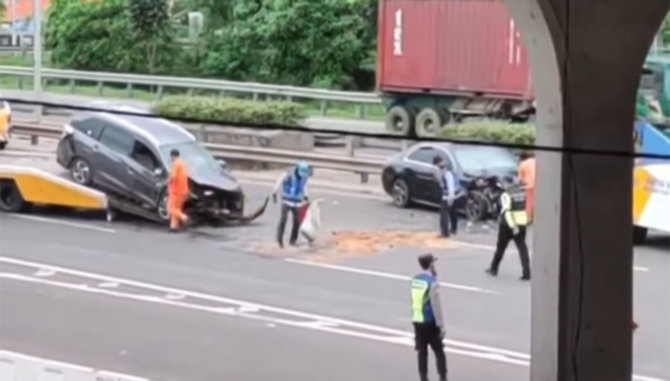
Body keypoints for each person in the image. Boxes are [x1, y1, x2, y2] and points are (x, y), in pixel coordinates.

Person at [486, 176, 531, 281]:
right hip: (521, 223)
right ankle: (527, 272)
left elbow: (507, 211)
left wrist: (512, 226)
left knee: (500, 248)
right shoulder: (521, 192)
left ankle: (494, 268)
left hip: (508, 225)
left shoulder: (506, 194)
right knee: (522, 248)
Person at [411, 253, 448, 381]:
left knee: (422, 352)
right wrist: (441, 326)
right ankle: (443, 377)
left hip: (417, 320)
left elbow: (414, 301)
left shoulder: (415, 280)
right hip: (430, 322)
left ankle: (423, 377)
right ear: (431, 264)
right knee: (439, 351)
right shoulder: (432, 284)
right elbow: (436, 307)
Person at [272, 160, 311, 248]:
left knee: (297, 221)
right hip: (286, 200)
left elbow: (304, 186)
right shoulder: (288, 174)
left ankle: (293, 240)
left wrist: (306, 196)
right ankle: (279, 240)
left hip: (297, 202)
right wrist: (275, 192)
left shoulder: (304, 177)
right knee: (283, 219)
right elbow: (279, 181)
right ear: (297, 169)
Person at [167, 148, 190, 232]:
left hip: (175, 190)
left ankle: (184, 217)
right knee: (177, 208)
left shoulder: (176, 164)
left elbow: (173, 176)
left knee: (171, 209)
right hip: (183, 190)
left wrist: (167, 182)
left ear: (172, 156)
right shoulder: (183, 163)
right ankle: (173, 227)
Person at [518, 151, 536, 223]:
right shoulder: (535, 161)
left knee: (529, 202)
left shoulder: (522, 164)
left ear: (521, 158)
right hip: (539, 184)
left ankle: (529, 218)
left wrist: (521, 183)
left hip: (530, 186)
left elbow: (520, 179)